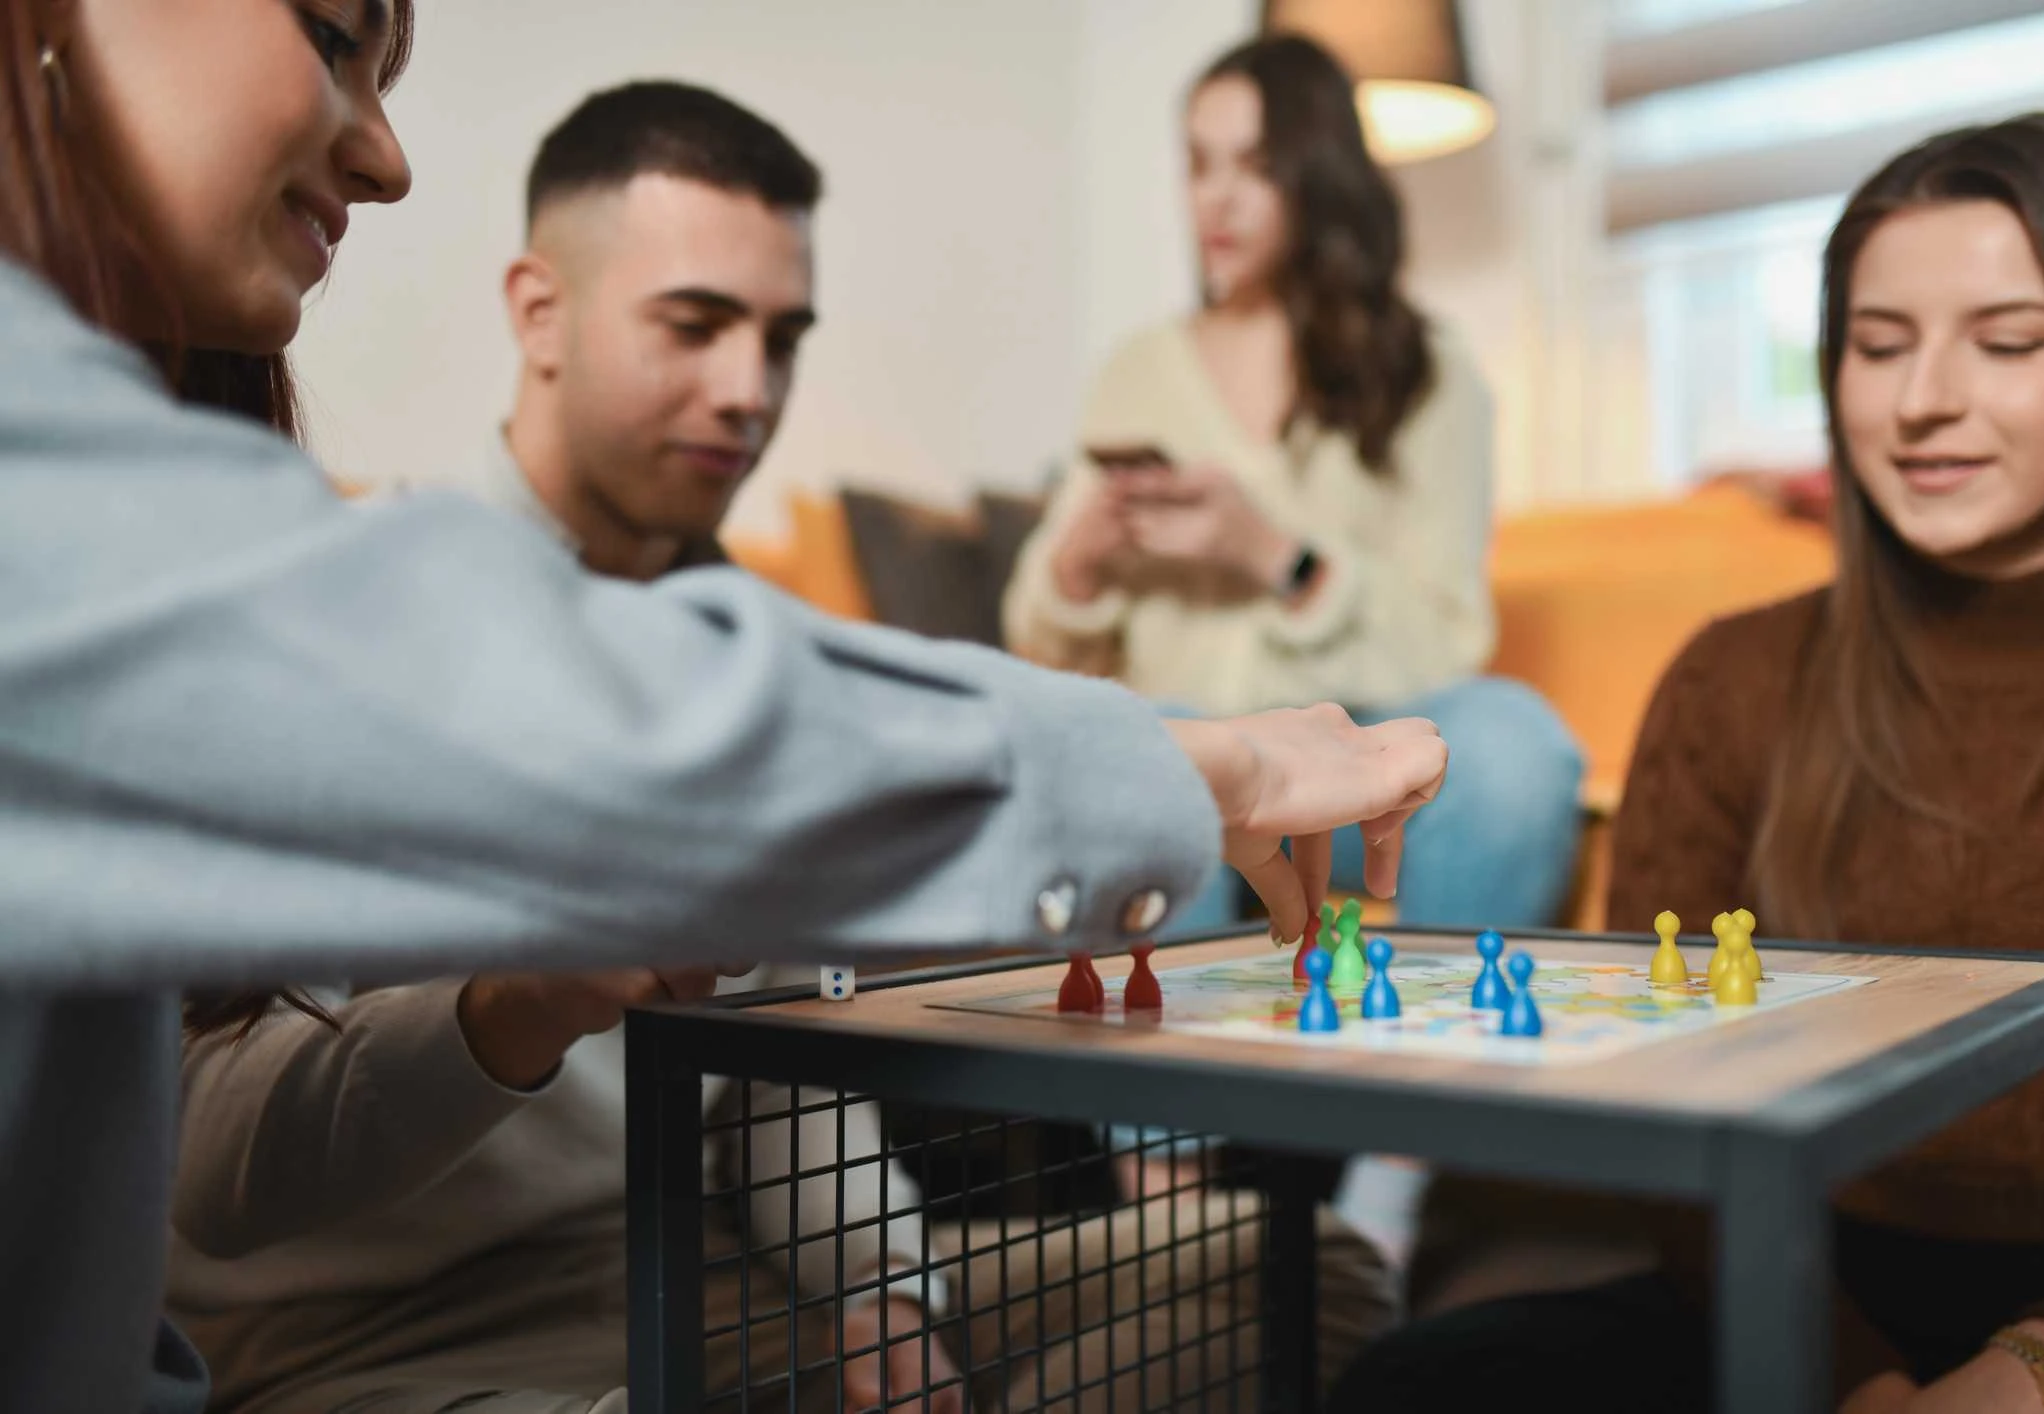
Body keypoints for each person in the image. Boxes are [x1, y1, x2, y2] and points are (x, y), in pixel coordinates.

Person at [0, 5, 1451, 1412]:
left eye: (782, 337)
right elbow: (217, 1152)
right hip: (408, 1341)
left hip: (690, 1287)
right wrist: (508, 1009)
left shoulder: (703, 638)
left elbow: (770, 1052)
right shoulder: (302, 607)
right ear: (539, 314)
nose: (747, 392)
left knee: (1290, 1267)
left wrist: (884, 1285)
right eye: (327, 35)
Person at [1328, 111, 2044, 1414]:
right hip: (1792, 1265)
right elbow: (1669, 1102)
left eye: (2008, 341)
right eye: (1877, 345)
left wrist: (2043, 1366)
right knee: (1418, 1383)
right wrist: (1853, 1378)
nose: (1922, 398)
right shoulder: (1733, 677)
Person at [1003, 32, 1583, 936]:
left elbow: (1446, 638)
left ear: (1317, 179)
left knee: (1515, 743)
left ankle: (1447, 1060)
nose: (1215, 198)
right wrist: (1076, 563)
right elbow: (1043, 664)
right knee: (1143, 750)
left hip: (1345, 769)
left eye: (1255, 167)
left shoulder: (1429, 373)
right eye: (1197, 165)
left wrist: (1274, 555)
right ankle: (1176, 1069)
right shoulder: (1138, 370)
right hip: (1187, 752)